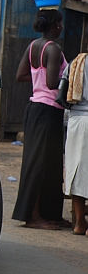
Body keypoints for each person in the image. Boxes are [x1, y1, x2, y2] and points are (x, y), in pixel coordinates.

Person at [12, 7, 70, 230]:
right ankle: (34, 217)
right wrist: (71, 75)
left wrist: (38, 78)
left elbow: (21, 75)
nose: (62, 27)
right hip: (47, 110)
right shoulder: (53, 49)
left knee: (51, 165)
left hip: (36, 108)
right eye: (60, 23)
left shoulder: (33, 46)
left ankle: (51, 214)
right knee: (38, 165)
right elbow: (53, 83)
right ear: (55, 26)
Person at [62, 53, 88, 235]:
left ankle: (79, 223)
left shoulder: (75, 62)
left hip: (76, 120)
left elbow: (62, 91)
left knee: (77, 171)